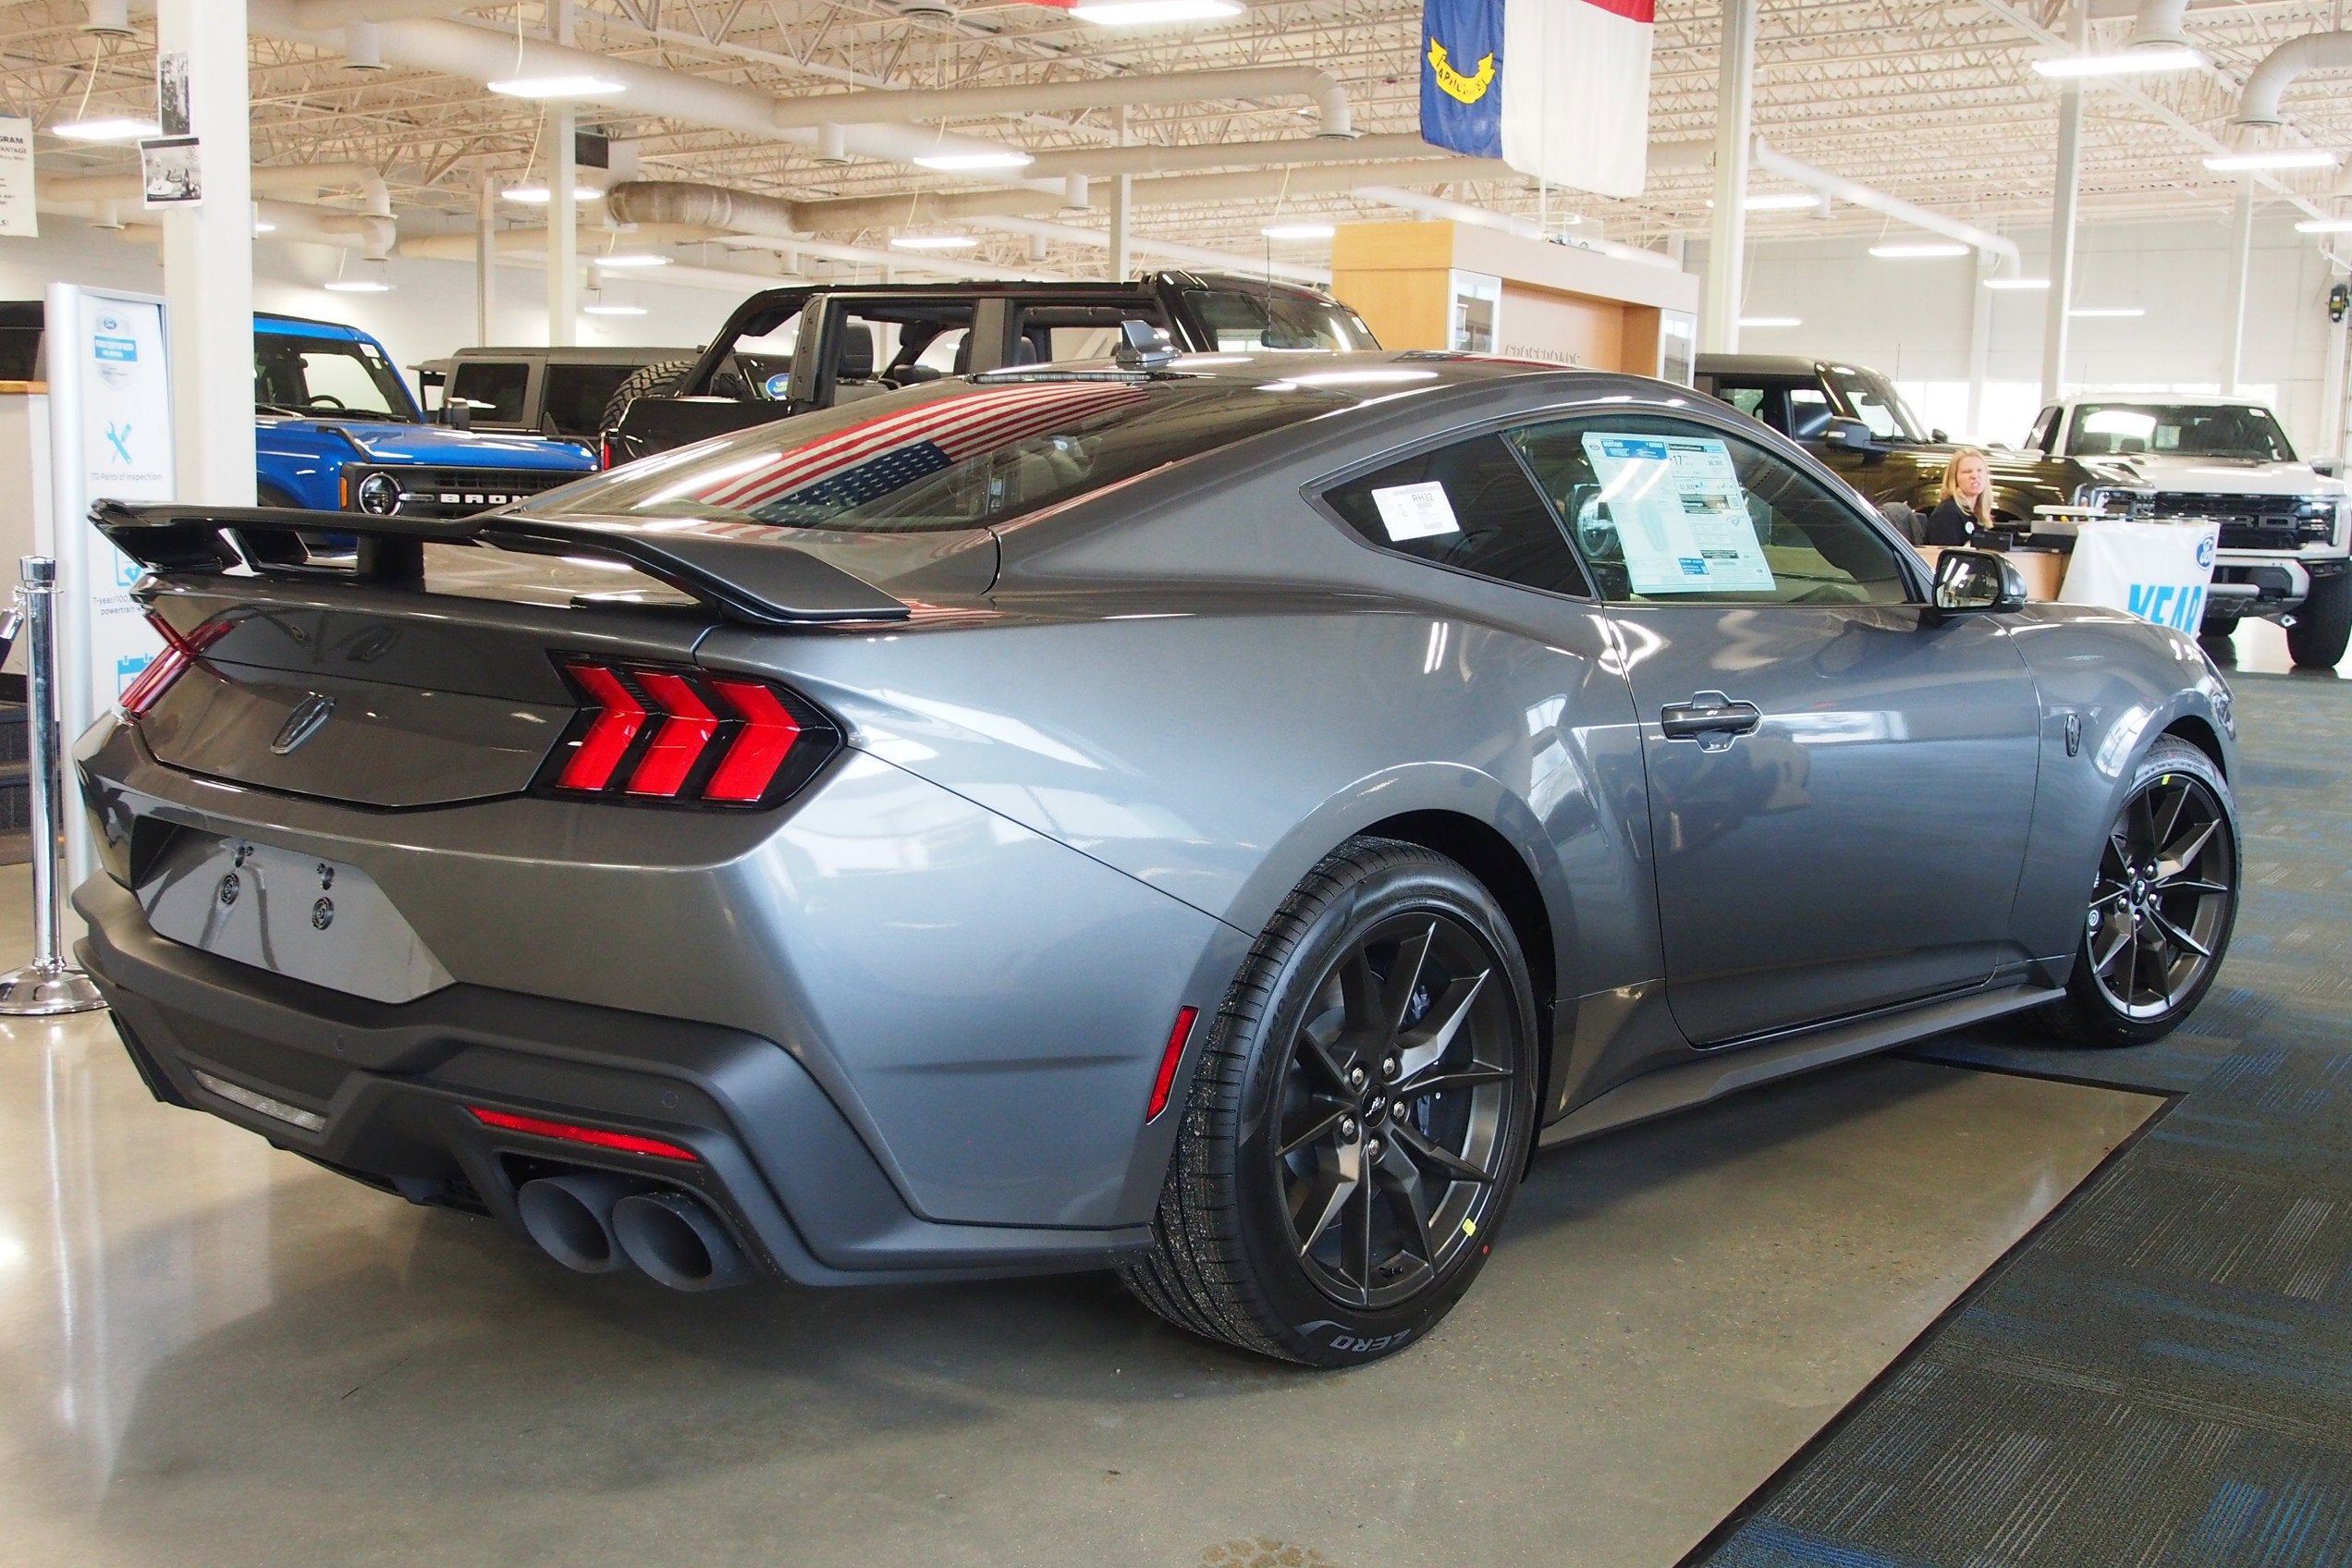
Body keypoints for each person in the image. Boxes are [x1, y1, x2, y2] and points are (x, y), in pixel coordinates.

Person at [1924, 448, 2005, 548]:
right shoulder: (1947, 513)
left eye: (1980, 470)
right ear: (1954, 478)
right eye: (1967, 471)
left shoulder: (1977, 514)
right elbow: (1942, 558)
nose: (1975, 476)